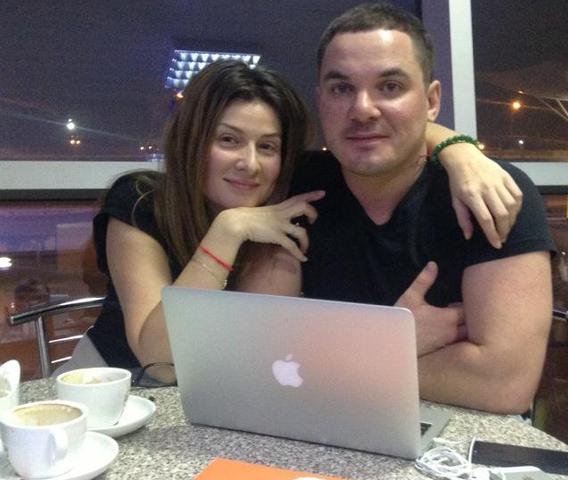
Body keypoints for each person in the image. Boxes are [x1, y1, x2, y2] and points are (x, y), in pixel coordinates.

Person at [57, 58, 521, 376]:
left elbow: (392, 137)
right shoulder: (141, 203)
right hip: (108, 390)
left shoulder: (293, 199)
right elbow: (159, 357)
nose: (250, 164)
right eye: (228, 140)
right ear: (193, 140)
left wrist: (459, 151)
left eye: (268, 146)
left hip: (218, 403)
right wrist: (228, 231)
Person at [282, 2, 556, 414]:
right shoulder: (297, 187)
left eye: (390, 87)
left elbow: (502, 383)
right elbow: (261, 357)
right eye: (341, 89)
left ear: (431, 101)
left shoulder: (488, 193)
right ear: (321, 101)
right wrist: (389, 344)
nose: (362, 109)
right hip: (319, 422)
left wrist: (329, 365)